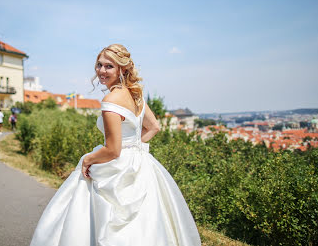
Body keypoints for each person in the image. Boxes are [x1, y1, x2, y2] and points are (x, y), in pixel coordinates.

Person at [30, 44, 201, 246]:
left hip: (116, 166)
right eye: (99, 65)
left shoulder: (111, 100)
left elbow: (112, 150)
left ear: (122, 68)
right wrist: (134, 147)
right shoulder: (135, 94)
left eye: (109, 66)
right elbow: (154, 127)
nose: (101, 71)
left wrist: (88, 159)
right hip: (141, 164)